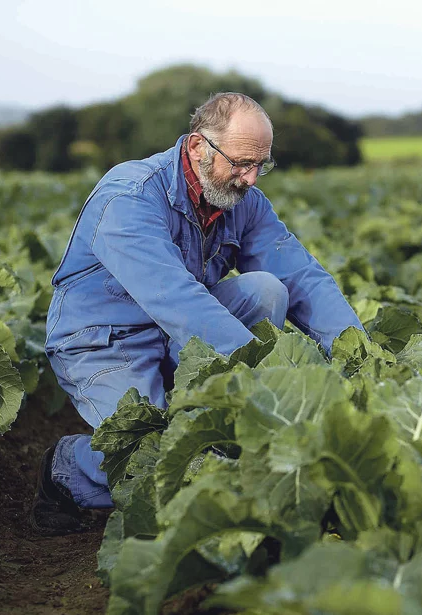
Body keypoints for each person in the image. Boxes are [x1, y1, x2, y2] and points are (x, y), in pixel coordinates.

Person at [29, 93, 364, 535]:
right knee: (154, 459)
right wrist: (268, 378)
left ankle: (219, 432)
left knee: (266, 288)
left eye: (261, 165)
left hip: (179, 335)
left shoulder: (243, 201)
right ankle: (67, 466)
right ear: (196, 147)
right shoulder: (130, 196)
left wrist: (360, 354)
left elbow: (302, 276)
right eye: (241, 163)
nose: (249, 178)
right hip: (106, 341)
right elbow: (176, 299)